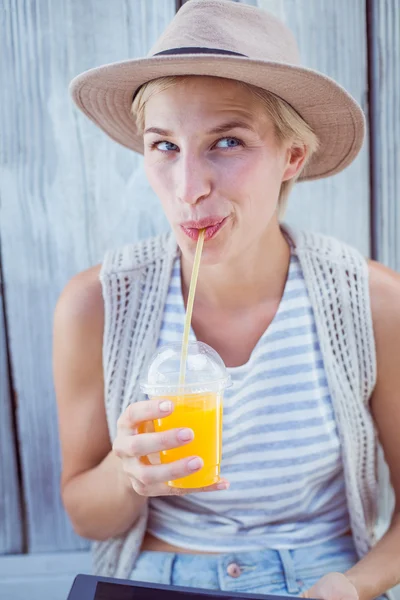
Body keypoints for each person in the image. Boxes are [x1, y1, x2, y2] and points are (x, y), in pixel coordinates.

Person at [54, 1, 400, 598]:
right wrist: (127, 472)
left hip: (322, 579)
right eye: (164, 146)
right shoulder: (98, 304)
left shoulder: (370, 303)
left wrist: (351, 586)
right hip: (159, 577)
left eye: (228, 142)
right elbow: (86, 517)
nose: (189, 190)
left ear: (293, 156)